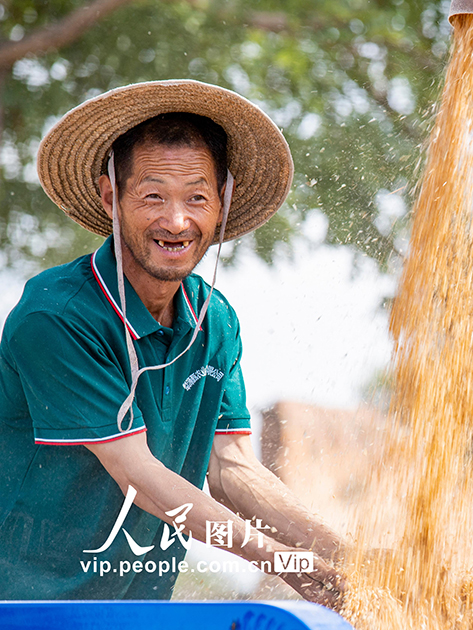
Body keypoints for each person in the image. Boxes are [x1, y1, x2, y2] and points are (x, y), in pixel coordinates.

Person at [0, 80, 346, 603]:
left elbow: (231, 469)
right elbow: (138, 474)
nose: (177, 221)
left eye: (197, 198)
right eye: (153, 196)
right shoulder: (57, 315)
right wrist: (284, 561)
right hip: (28, 606)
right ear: (111, 196)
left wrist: (346, 554)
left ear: (223, 204)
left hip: (140, 609)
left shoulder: (215, 322)